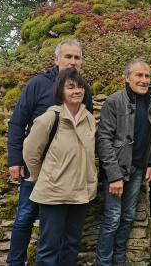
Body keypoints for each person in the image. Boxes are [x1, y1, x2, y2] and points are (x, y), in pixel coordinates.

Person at [6, 38, 93, 266]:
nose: (73, 62)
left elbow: (83, 126)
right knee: (25, 216)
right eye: (68, 56)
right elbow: (17, 123)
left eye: (77, 57)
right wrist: (15, 161)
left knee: (62, 231)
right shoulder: (37, 85)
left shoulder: (84, 89)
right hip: (36, 167)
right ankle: (15, 262)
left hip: (67, 173)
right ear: (56, 59)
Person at [22, 67, 97, 265]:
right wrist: (42, 177)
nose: (77, 91)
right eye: (71, 87)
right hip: (53, 193)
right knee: (49, 247)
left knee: (72, 244)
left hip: (80, 193)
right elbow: (30, 152)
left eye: (80, 87)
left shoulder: (89, 118)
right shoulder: (49, 118)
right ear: (60, 91)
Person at [95, 59, 151, 266]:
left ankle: (119, 258)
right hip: (117, 171)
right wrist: (114, 175)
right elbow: (103, 139)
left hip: (138, 169)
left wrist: (149, 163)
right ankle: (103, 261)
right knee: (112, 218)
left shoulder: (150, 104)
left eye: (147, 76)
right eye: (139, 75)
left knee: (128, 216)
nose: (144, 80)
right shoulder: (114, 101)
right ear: (127, 77)